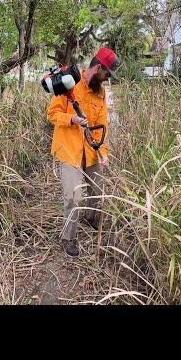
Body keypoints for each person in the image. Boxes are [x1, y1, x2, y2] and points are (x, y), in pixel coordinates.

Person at [46, 47, 120, 257]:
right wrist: (72, 119)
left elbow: (102, 123)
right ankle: (67, 238)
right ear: (98, 68)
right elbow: (52, 114)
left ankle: (91, 216)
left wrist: (103, 152)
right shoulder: (69, 82)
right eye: (106, 74)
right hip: (69, 150)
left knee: (97, 188)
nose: (106, 79)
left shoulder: (101, 93)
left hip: (91, 149)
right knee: (74, 197)